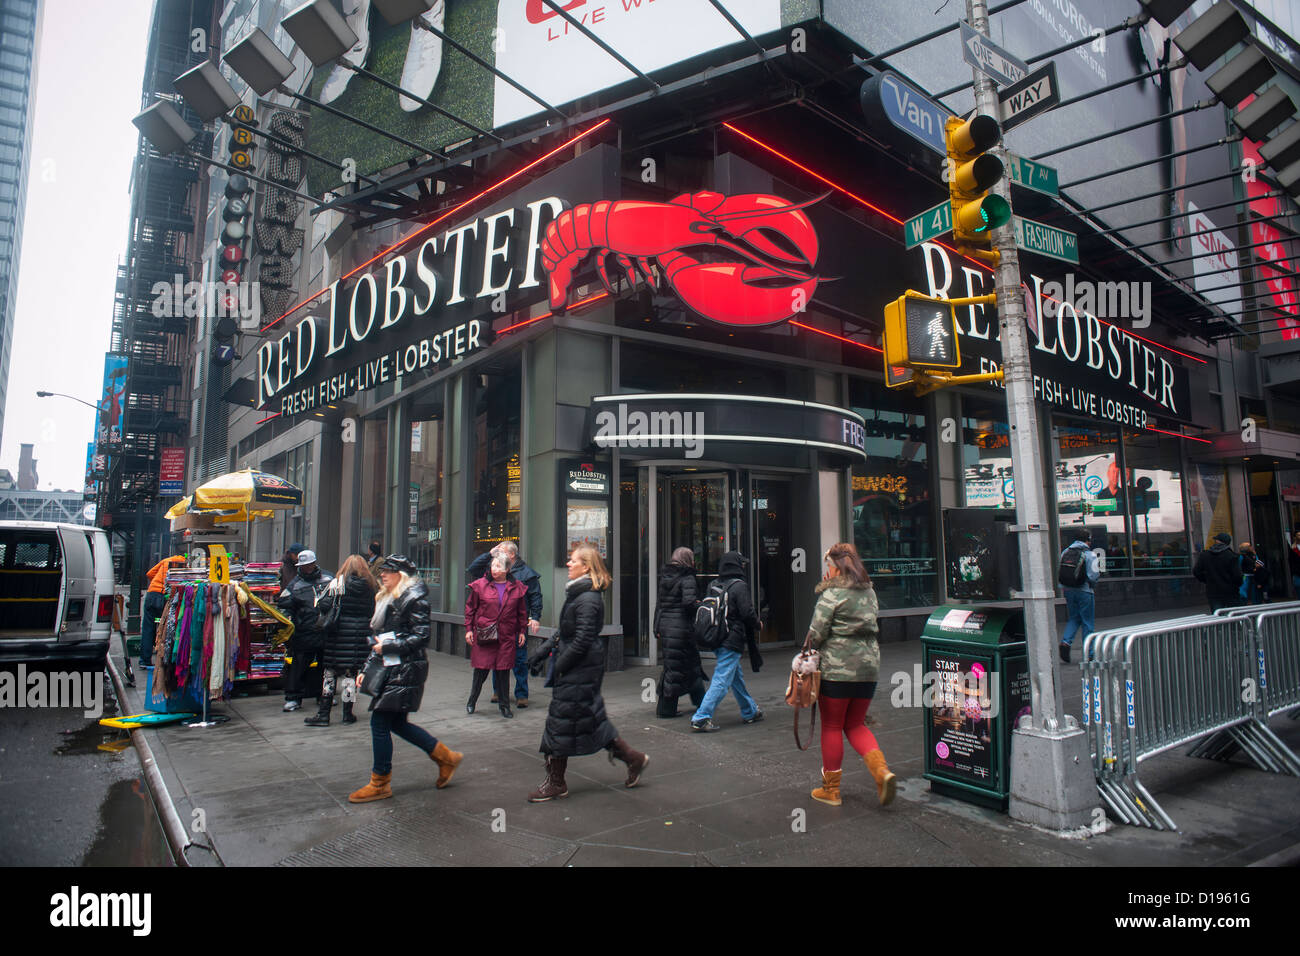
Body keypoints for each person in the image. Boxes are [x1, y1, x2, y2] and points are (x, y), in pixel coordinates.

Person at [527, 546, 648, 802]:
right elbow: (565, 633)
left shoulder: (589, 599)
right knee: (588, 721)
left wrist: (557, 666)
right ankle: (633, 759)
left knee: (561, 721)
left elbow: (582, 640)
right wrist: (541, 652)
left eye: (573, 561)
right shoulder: (579, 595)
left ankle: (556, 782)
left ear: (586, 567)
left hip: (581, 670)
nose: (568, 564)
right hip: (577, 668)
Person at [349, 555, 463, 803]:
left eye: (388, 571)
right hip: (392, 667)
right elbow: (380, 638)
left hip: (406, 669)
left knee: (379, 723)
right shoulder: (388, 597)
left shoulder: (414, 599)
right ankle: (446, 757)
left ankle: (380, 782)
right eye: (382, 571)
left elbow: (421, 636)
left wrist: (388, 649)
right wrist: (366, 668)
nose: (382, 575)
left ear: (401, 575)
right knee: (397, 723)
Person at [804, 543, 895, 808]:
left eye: (829, 567)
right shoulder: (869, 592)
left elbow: (817, 632)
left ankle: (830, 790)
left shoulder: (833, 594)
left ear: (835, 567)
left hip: (837, 669)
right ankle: (881, 773)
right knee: (856, 724)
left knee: (832, 726)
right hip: (868, 667)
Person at [690, 550, 764, 732]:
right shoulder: (739, 586)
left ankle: (749, 711)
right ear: (736, 565)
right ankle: (701, 717)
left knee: (735, 677)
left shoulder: (713, 584)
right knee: (722, 680)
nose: (744, 566)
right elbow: (747, 612)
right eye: (742, 563)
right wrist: (758, 624)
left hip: (716, 637)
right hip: (732, 638)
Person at [466, 541, 542, 709]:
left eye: (501, 551)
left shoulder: (526, 574)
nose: (497, 555)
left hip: (513, 625)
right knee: (495, 660)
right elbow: (472, 569)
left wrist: (534, 617)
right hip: (492, 627)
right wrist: (489, 553)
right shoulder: (491, 572)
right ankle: (498, 692)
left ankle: (521, 694)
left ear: (511, 556)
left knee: (519, 659)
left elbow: (535, 597)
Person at [305, 554, 378, 727]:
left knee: (329, 675)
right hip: (359, 635)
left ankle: (324, 714)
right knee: (350, 675)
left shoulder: (338, 583)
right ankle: (347, 714)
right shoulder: (371, 586)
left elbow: (324, 606)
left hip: (337, 635)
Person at [277, 549, 333, 712]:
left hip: (324, 631)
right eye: (303, 565)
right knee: (299, 665)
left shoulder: (329, 578)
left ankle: (323, 696)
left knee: (325, 666)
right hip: (304, 632)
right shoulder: (295, 584)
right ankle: (293, 697)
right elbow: (285, 606)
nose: (306, 568)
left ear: (314, 563)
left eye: (308, 565)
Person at [655, 547, 707, 718]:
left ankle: (701, 701)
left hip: (667, 628)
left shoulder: (665, 577)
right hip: (682, 629)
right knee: (680, 668)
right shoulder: (687, 577)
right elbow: (689, 603)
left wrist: (657, 627)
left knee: (679, 666)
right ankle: (667, 709)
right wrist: (703, 605)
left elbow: (660, 605)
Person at [1058, 528, 1101, 665]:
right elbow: (1094, 575)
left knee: (1074, 618)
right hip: (1085, 591)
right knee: (1087, 622)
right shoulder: (1090, 554)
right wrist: (1092, 585)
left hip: (1069, 590)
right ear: (1087, 540)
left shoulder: (1066, 552)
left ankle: (1065, 642)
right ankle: (1090, 653)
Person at [140, 553, 185, 673]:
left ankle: (144, 660)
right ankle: (163, 658)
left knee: (148, 627)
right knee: (164, 626)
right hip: (164, 597)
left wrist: (157, 582)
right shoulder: (183, 565)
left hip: (152, 594)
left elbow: (149, 574)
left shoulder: (166, 560)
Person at [1193, 532, 1243, 612]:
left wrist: (1207, 580)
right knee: (1234, 616)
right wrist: (1234, 584)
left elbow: (1196, 571)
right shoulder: (1232, 556)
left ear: (1217, 541)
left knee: (1217, 616)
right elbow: (1238, 576)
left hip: (1213, 591)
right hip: (1230, 591)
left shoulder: (1205, 555)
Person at [1288, 531, 1300, 598]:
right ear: (1295, 537)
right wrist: (1294, 571)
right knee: (1298, 587)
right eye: (1298, 535)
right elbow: (1291, 561)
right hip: (1297, 572)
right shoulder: (1293, 549)